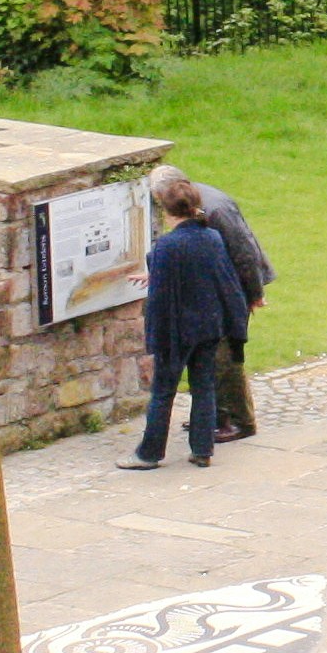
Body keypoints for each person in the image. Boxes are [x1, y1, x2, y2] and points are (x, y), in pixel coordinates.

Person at [125, 176, 249, 470]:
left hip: (177, 331)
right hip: (208, 326)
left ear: (168, 212)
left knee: (164, 390)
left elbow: (161, 297)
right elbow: (213, 276)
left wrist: (153, 337)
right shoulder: (211, 237)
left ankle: (149, 453)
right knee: (204, 387)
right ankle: (202, 449)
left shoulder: (168, 244)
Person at [157, 166, 273, 442]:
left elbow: (244, 251)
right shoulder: (195, 202)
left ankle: (241, 421)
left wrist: (254, 293)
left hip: (232, 290)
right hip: (216, 290)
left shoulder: (214, 209)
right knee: (210, 356)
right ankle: (213, 416)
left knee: (226, 357)